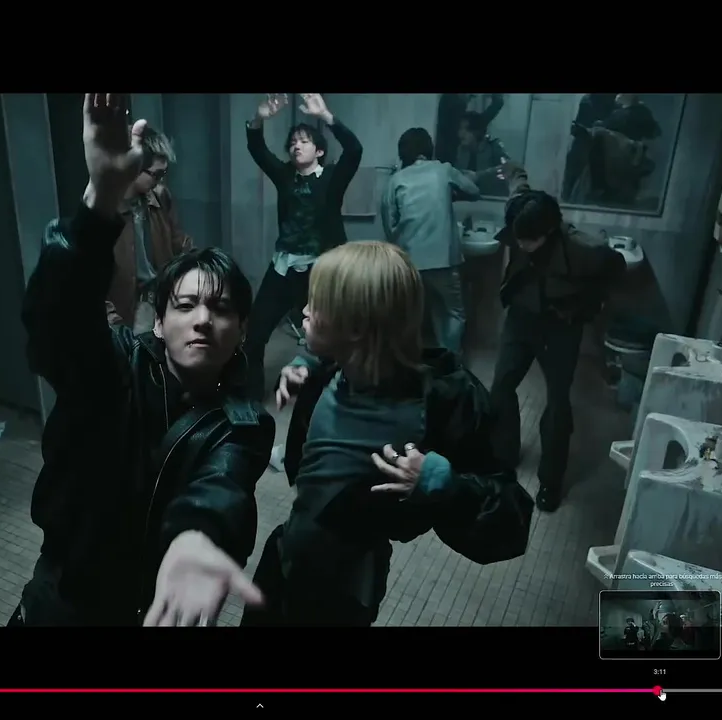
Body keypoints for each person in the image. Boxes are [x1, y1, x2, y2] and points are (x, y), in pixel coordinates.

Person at [14, 93, 275, 627]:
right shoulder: (116, 367)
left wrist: (199, 535)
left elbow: (223, 486)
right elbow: (55, 325)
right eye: (186, 305)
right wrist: (100, 198)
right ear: (158, 322)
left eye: (221, 309)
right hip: (61, 596)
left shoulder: (243, 425)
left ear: (242, 331)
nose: (203, 319)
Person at [240, 241, 530, 627]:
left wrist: (444, 484)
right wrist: (308, 362)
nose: (304, 309)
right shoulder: (340, 367)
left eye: (318, 303)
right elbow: (346, 355)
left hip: (343, 589)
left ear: (356, 327)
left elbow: (512, 519)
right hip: (289, 553)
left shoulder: (442, 402)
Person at [489, 165, 627, 512]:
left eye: (528, 240)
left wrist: (589, 303)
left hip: (559, 325)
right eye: (517, 238)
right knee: (501, 388)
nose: (521, 245)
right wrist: (510, 169)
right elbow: (519, 181)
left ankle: (551, 481)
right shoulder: (523, 210)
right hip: (520, 319)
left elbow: (617, 267)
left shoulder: (583, 248)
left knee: (557, 404)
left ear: (549, 231)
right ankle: (505, 455)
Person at [242, 92, 362, 404]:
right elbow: (257, 149)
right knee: (254, 335)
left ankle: (327, 401)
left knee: (329, 336)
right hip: (284, 266)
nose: (297, 145)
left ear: (319, 150)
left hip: (321, 269)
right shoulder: (285, 175)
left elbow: (354, 150)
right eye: (293, 142)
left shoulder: (332, 177)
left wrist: (325, 116)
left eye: (305, 141)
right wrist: (259, 118)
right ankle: (251, 403)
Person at [380, 127, 494, 355]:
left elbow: (389, 225)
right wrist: (453, 192)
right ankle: (448, 360)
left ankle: (403, 359)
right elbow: (474, 191)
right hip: (443, 261)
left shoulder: (395, 180)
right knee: (452, 312)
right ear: (428, 149)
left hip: (408, 263)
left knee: (407, 314)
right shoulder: (443, 170)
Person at [103, 125, 193, 334]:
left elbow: (178, 243)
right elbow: (92, 280)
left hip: (160, 296)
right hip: (128, 309)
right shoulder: (105, 211)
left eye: (164, 173)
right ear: (133, 168)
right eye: (156, 174)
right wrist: (114, 324)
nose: (160, 180)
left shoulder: (159, 197)